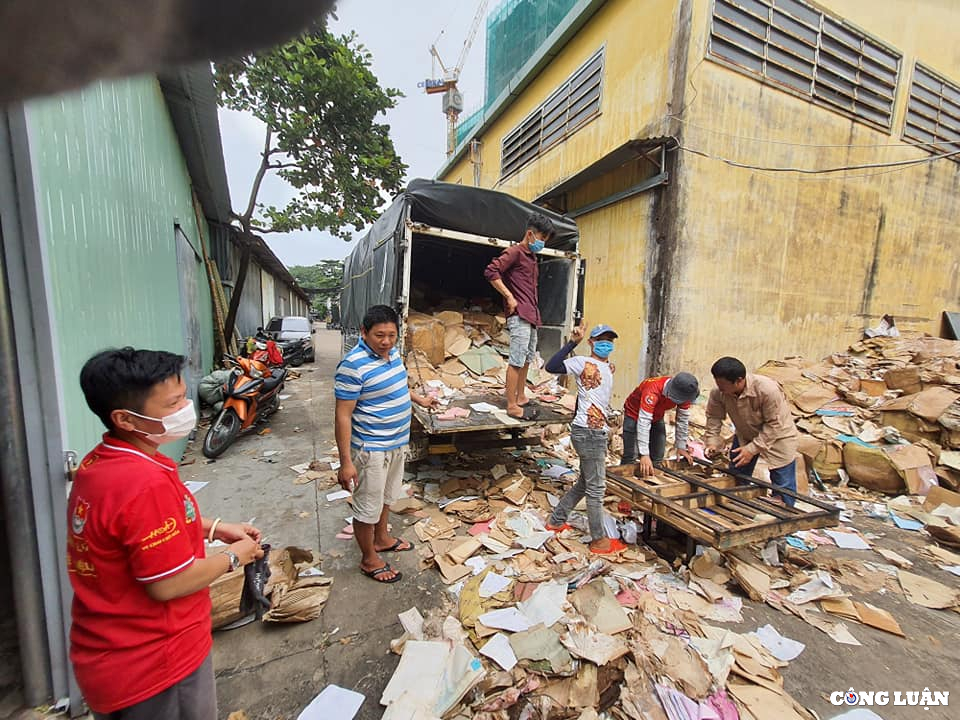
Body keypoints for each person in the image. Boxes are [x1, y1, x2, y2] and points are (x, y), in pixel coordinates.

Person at [67, 348, 264, 720]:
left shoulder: (105, 461)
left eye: (184, 397)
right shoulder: (141, 483)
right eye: (173, 403)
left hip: (110, 656)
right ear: (125, 418)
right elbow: (169, 583)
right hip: (155, 664)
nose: (186, 407)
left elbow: (141, 527)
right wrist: (236, 554)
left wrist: (216, 528)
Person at [335, 305, 438, 583]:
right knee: (367, 505)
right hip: (371, 448)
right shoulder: (352, 365)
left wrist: (420, 400)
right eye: (379, 335)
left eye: (392, 335)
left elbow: (398, 385)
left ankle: (381, 539)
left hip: (396, 442)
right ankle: (369, 559)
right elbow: (343, 416)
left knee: (386, 497)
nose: (386, 341)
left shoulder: (392, 354)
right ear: (364, 333)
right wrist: (345, 463)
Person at [543, 322, 624, 554]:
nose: (606, 344)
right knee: (596, 488)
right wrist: (572, 343)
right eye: (601, 340)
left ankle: (556, 520)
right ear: (591, 342)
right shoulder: (581, 362)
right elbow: (552, 366)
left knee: (585, 483)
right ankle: (599, 540)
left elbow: (591, 398)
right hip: (588, 433)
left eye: (610, 340)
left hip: (594, 431)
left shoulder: (608, 368)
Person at [484, 212, 556, 419]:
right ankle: (512, 404)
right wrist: (509, 296)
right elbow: (491, 272)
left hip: (532, 316)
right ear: (530, 234)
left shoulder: (531, 257)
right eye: (541, 239)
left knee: (526, 359)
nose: (542, 243)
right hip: (519, 315)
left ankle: (521, 395)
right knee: (516, 360)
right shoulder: (514, 252)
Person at [704, 356, 800, 506]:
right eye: (717, 383)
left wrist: (753, 449)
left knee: (783, 485)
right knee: (736, 477)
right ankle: (735, 509)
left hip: (779, 436)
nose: (720, 388)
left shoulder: (767, 390)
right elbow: (714, 418)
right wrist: (712, 442)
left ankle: (784, 521)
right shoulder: (718, 392)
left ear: (739, 380)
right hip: (745, 434)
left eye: (723, 384)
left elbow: (774, 424)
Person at [621, 373, 699, 475]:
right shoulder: (652, 391)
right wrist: (644, 454)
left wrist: (681, 446)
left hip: (657, 416)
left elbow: (682, 420)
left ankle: (652, 481)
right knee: (631, 456)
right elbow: (644, 421)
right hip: (634, 414)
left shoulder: (684, 393)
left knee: (658, 456)